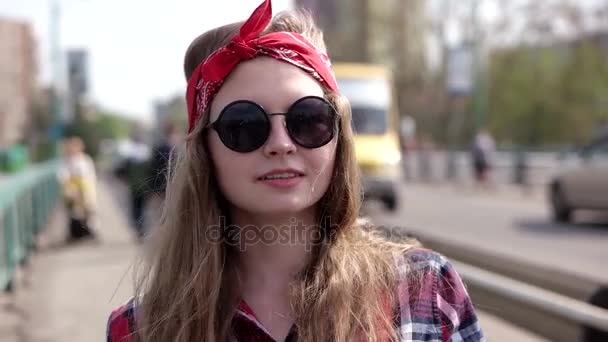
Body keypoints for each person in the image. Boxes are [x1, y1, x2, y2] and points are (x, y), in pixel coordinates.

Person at [107, 1, 485, 341]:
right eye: (244, 125)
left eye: (307, 119)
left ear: (339, 137)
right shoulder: (143, 329)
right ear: (204, 149)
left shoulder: (424, 293)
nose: (281, 143)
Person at [57, 136, 98, 242]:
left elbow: (90, 176)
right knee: (74, 213)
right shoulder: (66, 161)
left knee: (89, 212)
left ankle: (90, 232)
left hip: (85, 190)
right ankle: (75, 234)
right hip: (72, 190)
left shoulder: (85, 160)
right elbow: (62, 176)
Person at [114, 127, 152, 239]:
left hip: (133, 186)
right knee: (143, 208)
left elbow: (120, 171)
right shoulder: (146, 153)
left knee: (135, 209)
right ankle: (142, 228)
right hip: (144, 186)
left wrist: (126, 180)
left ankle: (138, 228)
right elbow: (151, 171)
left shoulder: (129, 155)